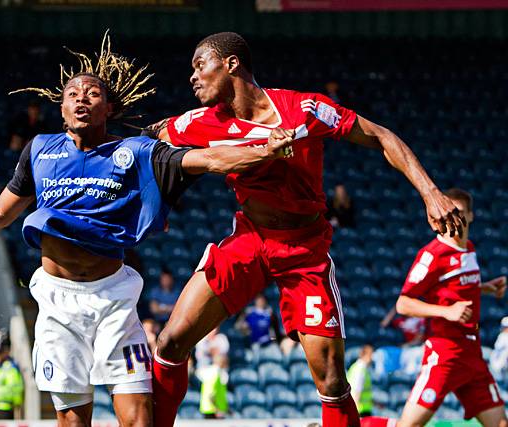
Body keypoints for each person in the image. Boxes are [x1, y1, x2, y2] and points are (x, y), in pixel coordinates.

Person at [0, 33, 296, 427]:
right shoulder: (39, 150)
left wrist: (261, 150)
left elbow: (208, 159)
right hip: (56, 303)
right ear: (62, 109)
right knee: (72, 420)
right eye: (73, 94)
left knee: (139, 417)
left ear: (109, 107)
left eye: (92, 93)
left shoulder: (136, 152)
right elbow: (1, 211)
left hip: (114, 300)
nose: (82, 99)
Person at [144, 31, 465, 427]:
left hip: (304, 251)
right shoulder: (198, 122)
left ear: (231, 64)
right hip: (248, 240)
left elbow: (381, 136)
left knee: (331, 380)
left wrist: (431, 193)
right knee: (170, 342)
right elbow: (146, 143)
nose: (192, 77)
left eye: (199, 65)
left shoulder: (305, 110)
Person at [394, 189, 507, 427]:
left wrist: (485, 287)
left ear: (472, 216)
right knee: (409, 425)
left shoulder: (470, 249)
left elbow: (456, 288)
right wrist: (447, 311)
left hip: (472, 354)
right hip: (444, 353)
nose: (455, 220)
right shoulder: (432, 255)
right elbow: (403, 303)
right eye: (449, 214)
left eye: (460, 214)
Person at [197, 354, 229, 419]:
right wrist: (216, 409)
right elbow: (211, 395)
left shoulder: (209, 371)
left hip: (209, 409)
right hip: (214, 411)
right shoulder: (216, 374)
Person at [346, 344, 374, 417]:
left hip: (362, 409)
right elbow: (356, 389)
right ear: (365, 355)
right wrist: (354, 412)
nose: (372, 358)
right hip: (360, 410)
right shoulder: (360, 368)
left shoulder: (357, 367)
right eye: (370, 355)